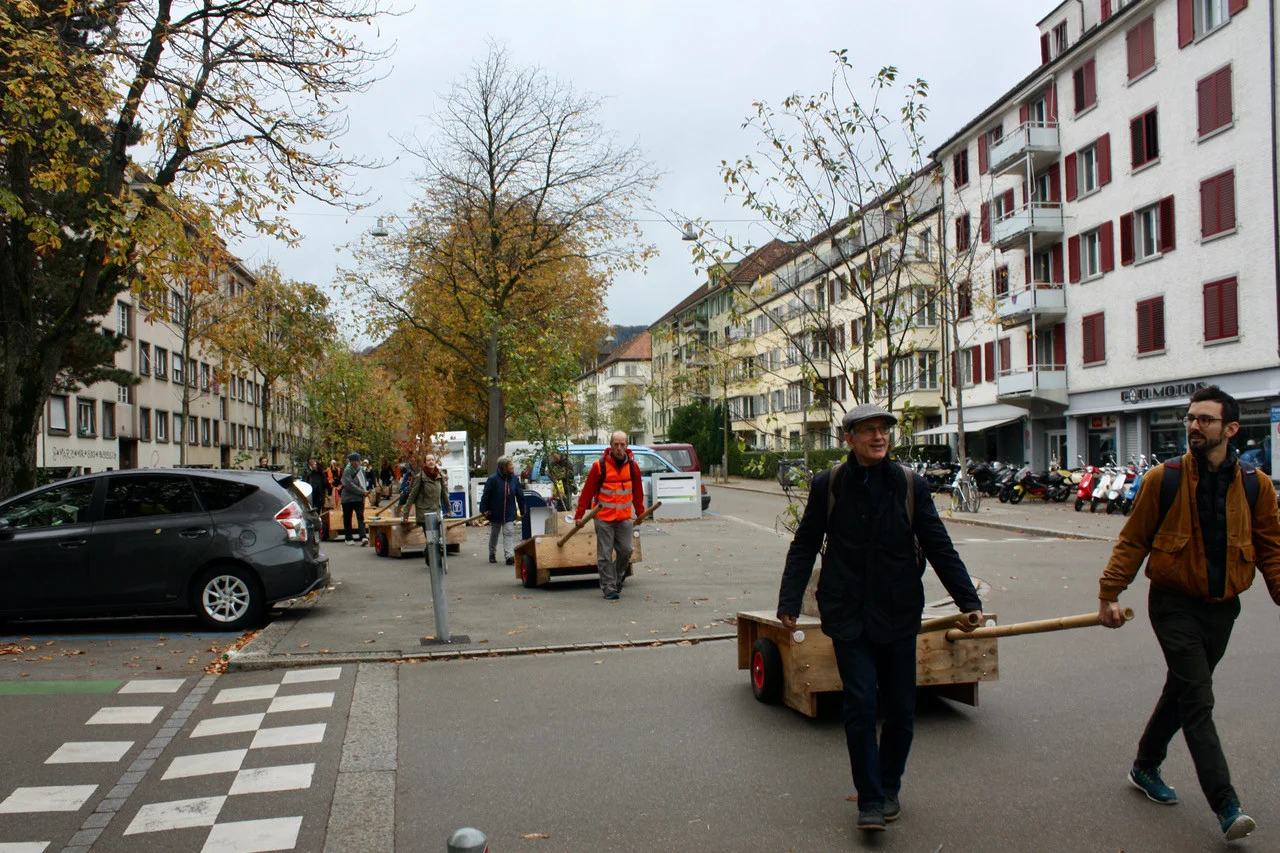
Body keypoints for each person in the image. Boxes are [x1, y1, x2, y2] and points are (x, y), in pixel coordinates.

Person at [776, 404, 983, 832]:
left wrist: (968, 600)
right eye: (868, 430)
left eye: (884, 430)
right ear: (848, 438)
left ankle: (890, 786)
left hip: (898, 610)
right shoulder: (828, 485)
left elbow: (938, 544)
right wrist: (789, 602)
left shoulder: (910, 485)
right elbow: (805, 544)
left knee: (901, 710)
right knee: (860, 705)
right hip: (847, 612)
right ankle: (869, 799)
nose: (878, 437)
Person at [1098, 385, 1280, 842]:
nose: (1194, 426)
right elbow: (1133, 539)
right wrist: (1110, 593)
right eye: (1190, 418)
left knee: (1183, 690)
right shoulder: (1166, 478)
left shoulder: (1258, 487)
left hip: (1223, 608)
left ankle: (1144, 765)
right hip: (1173, 603)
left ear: (1231, 429)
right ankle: (1227, 806)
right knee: (1198, 699)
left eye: (1205, 419)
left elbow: (1272, 550)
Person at [574, 432, 645, 600]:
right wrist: (579, 514)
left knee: (626, 551)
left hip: (624, 517)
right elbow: (587, 492)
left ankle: (617, 577)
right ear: (611, 445)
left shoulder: (633, 467)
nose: (619, 448)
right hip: (603, 517)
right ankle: (609, 587)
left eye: (622, 444)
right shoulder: (600, 466)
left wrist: (640, 512)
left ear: (627, 445)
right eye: (616, 445)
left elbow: (638, 492)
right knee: (605, 554)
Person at [480, 456, 525, 565]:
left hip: (509, 511)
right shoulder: (493, 479)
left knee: (508, 532)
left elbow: (520, 495)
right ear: (504, 467)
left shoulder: (514, 479)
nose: (512, 466)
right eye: (510, 464)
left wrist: (523, 509)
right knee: (495, 532)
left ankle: (509, 556)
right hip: (495, 510)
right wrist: (484, 509)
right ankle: (492, 553)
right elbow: (486, 495)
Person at [402, 454, 449, 533]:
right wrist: (406, 514)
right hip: (425, 514)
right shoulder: (420, 477)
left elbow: (444, 494)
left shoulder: (439, 476)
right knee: (432, 540)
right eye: (428, 460)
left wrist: (449, 510)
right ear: (425, 463)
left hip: (436, 513)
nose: (431, 462)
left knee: (437, 540)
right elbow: (412, 496)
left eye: (432, 460)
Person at [340, 452, 370, 546]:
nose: (356, 463)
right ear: (351, 462)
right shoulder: (347, 470)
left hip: (358, 498)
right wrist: (362, 492)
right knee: (347, 517)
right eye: (354, 461)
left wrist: (365, 491)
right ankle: (348, 537)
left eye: (358, 461)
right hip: (348, 498)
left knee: (360, 516)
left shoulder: (361, 469)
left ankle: (363, 536)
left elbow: (363, 481)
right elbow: (349, 485)